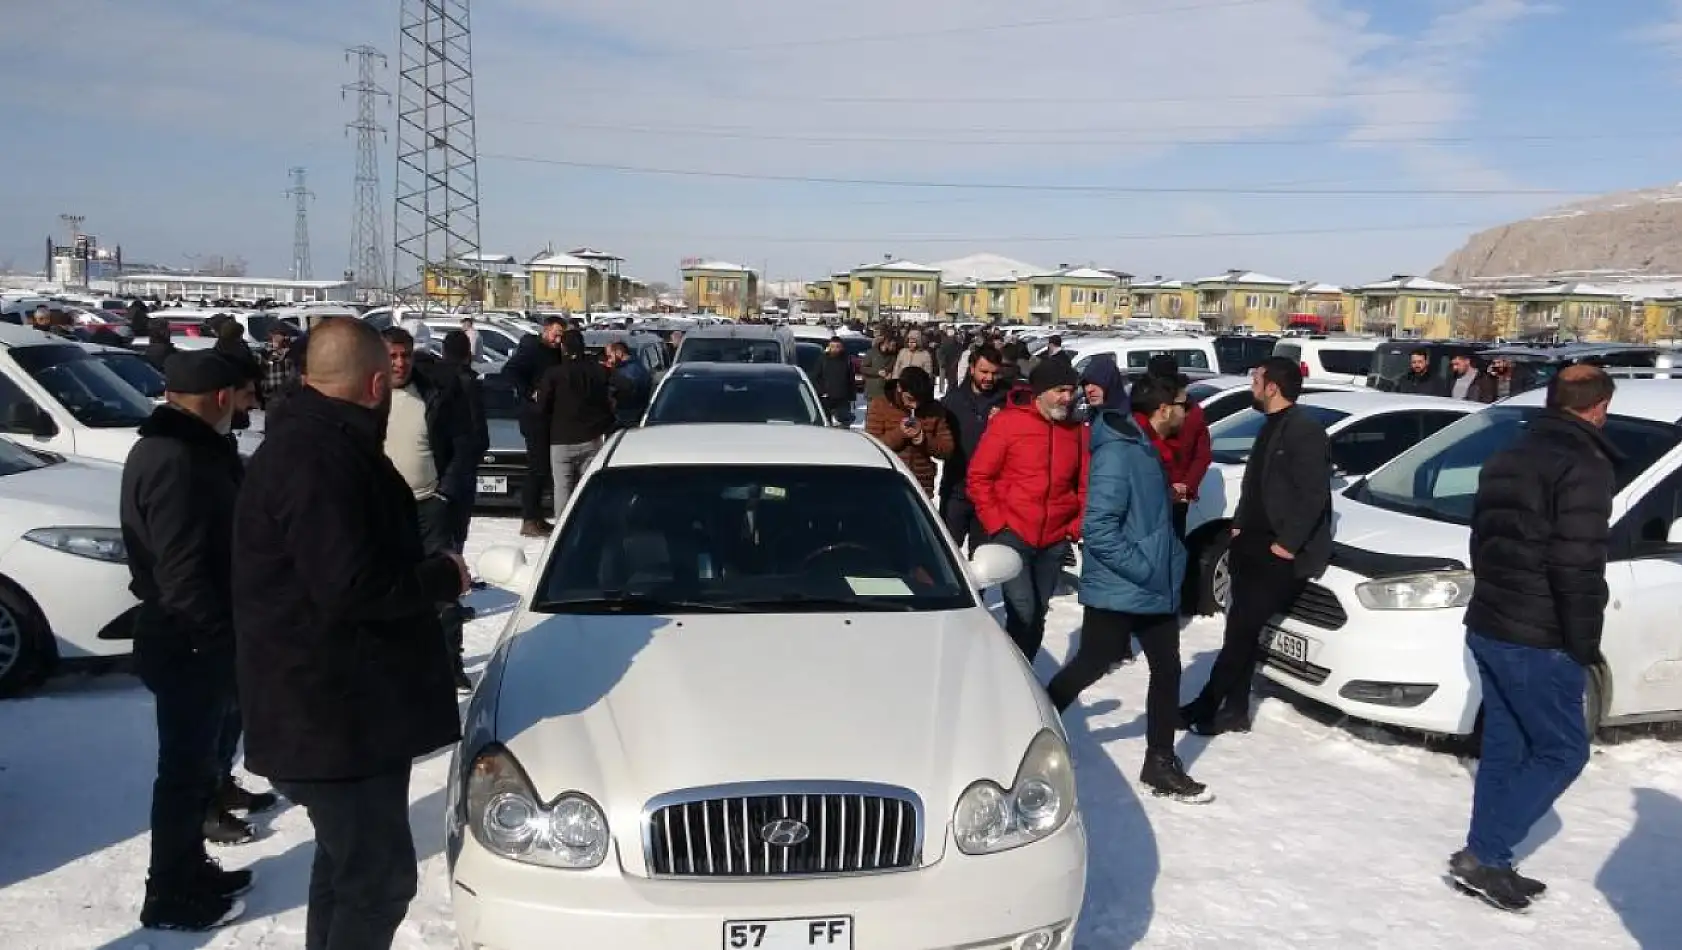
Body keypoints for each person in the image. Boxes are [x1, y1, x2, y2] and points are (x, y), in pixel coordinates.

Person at [232, 318, 470, 950]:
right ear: (374, 384)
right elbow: (354, 587)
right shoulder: (317, 459)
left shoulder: (322, 442)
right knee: (379, 883)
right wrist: (441, 577)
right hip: (331, 715)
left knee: (344, 869)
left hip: (343, 711)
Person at [1448, 365, 1617, 912]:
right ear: (1598, 407)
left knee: (1506, 744)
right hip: (1539, 635)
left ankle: (1487, 855)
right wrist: (1583, 644)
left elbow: (1482, 540)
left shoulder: (1509, 452)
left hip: (1492, 622)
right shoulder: (1585, 465)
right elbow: (1578, 565)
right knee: (1564, 750)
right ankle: (1486, 853)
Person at [121, 351, 254, 931]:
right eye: (239, 396)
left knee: (196, 769)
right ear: (221, 397)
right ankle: (169, 892)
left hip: (195, 636)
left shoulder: (189, 448)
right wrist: (214, 640)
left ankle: (189, 868)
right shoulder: (175, 458)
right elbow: (182, 571)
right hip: (187, 641)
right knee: (182, 774)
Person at [1045, 374, 1207, 802]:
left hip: (1150, 584)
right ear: (1162, 409)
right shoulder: (1120, 452)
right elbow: (1099, 529)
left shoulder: (1141, 446)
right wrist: (1145, 567)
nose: (1188, 413)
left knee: (1167, 668)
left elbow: (1130, 513)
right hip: (1126, 584)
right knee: (1093, 662)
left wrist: (1161, 505)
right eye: (1183, 404)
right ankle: (1031, 727)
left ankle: (1159, 761)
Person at [1180, 358, 1332, 737]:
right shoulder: (1271, 426)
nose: (1252, 385)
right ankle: (1235, 711)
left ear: (1273, 387)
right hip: (1250, 543)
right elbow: (1256, 485)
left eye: (1256, 379)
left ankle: (1207, 705)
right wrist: (1239, 526)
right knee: (1238, 630)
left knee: (1243, 632)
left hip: (1276, 552)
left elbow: (1314, 495)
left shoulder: (1304, 430)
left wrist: (1288, 544)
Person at [967, 359, 1089, 661]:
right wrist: (998, 524)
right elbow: (979, 477)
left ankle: (1024, 673)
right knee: (1023, 610)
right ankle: (1009, 677)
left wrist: (1074, 526)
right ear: (1040, 391)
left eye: (1071, 391)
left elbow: (1086, 485)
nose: (1067, 398)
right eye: (1060, 390)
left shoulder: (1077, 432)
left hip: (1053, 539)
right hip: (1013, 535)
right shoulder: (1009, 424)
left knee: (1038, 615)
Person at [381, 326, 479, 692]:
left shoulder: (435, 392)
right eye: (392, 355)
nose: (400, 362)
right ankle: (394, 665)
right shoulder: (365, 397)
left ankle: (449, 664)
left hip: (430, 506)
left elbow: (463, 445)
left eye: (405, 354)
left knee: (443, 588)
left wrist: (445, 494)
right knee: (387, 590)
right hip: (382, 511)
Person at [537, 328, 616, 513]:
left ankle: (562, 531)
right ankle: (586, 527)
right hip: (591, 437)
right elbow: (627, 385)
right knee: (587, 489)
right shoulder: (596, 370)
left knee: (562, 489)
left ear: (563, 347)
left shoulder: (554, 374)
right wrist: (610, 403)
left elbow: (541, 407)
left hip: (561, 440)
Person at [502, 316, 567, 536]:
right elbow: (510, 372)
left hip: (551, 416)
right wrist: (530, 392)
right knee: (537, 468)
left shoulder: (558, 352)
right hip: (533, 416)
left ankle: (537, 517)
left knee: (544, 468)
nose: (558, 339)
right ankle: (529, 519)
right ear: (545, 330)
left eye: (561, 335)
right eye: (555, 334)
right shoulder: (532, 349)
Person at [939, 346, 1006, 551]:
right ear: (971, 369)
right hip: (956, 491)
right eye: (984, 372)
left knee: (983, 559)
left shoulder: (1007, 401)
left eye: (994, 373)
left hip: (988, 495)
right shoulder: (952, 401)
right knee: (947, 554)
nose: (989, 378)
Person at [1148, 355, 1212, 543]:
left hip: (1166, 498)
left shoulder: (1191, 413)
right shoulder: (1191, 410)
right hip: (1162, 495)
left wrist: (1186, 486)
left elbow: (1202, 455)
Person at [866, 366, 954, 496]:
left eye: (920, 400)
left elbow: (947, 449)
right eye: (910, 399)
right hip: (886, 480)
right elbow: (871, 447)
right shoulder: (880, 405)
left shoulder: (934, 409)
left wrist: (924, 440)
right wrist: (899, 433)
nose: (915, 405)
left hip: (920, 484)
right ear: (899, 388)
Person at [440, 329, 490, 548]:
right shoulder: (468, 383)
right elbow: (478, 426)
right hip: (462, 463)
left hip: (441, 463)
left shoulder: (433, 381)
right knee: (457, 528)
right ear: (467, 354)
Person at [814, 336, 860, 425]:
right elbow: (815, 377)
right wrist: (821, 391)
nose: (835, 349)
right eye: (833, 346)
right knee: (825, 423)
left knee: (844, 423)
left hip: (842, 398)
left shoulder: (847, 360)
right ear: (829, 347)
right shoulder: (823, 359)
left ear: (842, 347)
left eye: (838, 346)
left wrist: (852, 396)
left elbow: (850, 378)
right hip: (826, 398)